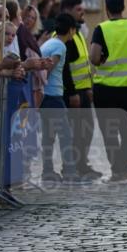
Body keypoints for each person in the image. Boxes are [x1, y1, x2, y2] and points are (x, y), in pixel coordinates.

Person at [90, 0, 127, 184]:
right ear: (123, 7)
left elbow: (94, 57)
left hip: (104, 89)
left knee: (109, 132)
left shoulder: (101, 28)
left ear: (106, 8)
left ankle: (116, 172)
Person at [58, 0, 101, 180]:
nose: (83, 12)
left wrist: (89, 87)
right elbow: (65, 67)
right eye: (78, 9)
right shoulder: (63, 34)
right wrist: (73, 92)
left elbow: (83, 63)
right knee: (74, 132)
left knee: (86, 130)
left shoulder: (77, 32)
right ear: (67, 10)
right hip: (72, 93)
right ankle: (70, 167)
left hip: (83, 90)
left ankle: (81, 164)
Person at [39, 13, 79, 184]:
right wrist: (44, 83)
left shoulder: (49, 42)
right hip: (53, 96)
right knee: (65, 135)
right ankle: (70, 172)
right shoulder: (60, 46)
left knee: (48, 136)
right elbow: (48, 67)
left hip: (45, 96)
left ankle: (47, 171)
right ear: (71, 30)